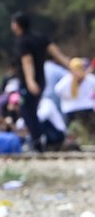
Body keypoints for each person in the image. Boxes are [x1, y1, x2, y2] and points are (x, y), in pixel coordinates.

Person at [10, 11, 80, 152]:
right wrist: (71, 67)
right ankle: (39, 140)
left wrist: (30, 81)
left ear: (17, 25)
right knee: (32, 111)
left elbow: (27, 62)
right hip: (42, 81)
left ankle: (37, 141)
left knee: (27, 111)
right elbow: (58, 54)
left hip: (29, 83)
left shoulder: (23, 41)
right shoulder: (41, 38)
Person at [54, 58, 95, 137]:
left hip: (86, 108)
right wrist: (68, 97)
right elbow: (58, 90)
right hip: (70, 109)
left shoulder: (90, 79)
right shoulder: (67, 80)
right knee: (71, 129)